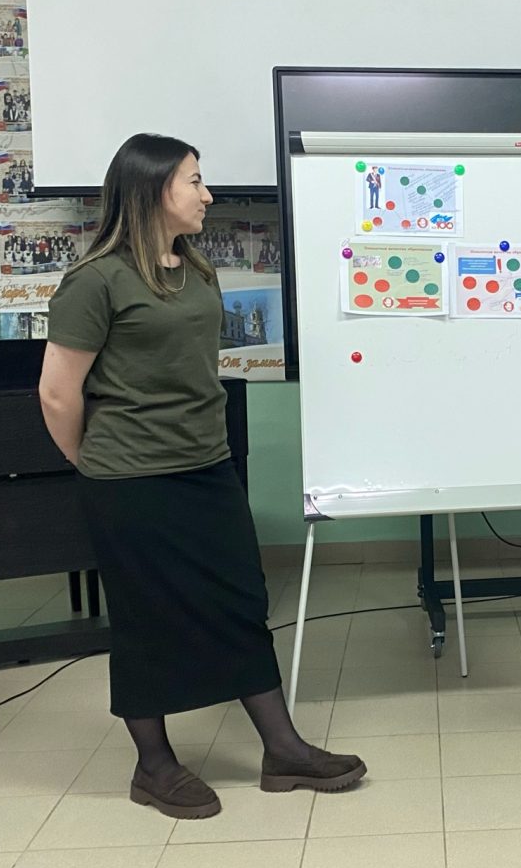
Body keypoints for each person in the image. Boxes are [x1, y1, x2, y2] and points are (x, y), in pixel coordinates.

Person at [39, 132, 366, 819]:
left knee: (241, 601)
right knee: (146, 617)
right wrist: (87, 460)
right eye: (194, 180)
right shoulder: (95, 280)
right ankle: (153, 766)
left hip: (206, 465)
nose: (207, 194)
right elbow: (57, 393)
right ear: (154, 189)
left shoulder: (194, 268)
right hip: (129, 478)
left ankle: (282, 750)